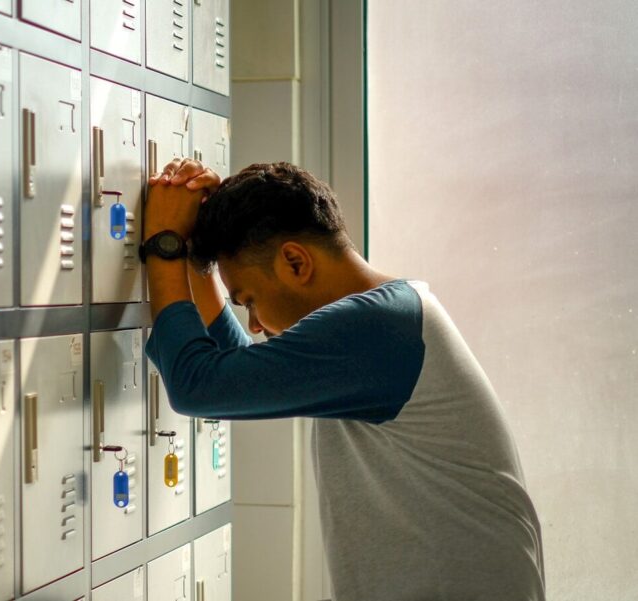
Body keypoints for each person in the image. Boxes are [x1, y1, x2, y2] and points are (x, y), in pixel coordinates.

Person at [140, 159, 545, 601]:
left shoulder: (375, 330)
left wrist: (164, 243)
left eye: (250, 301)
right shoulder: (389, 317)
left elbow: (200, 385)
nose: (254, 324)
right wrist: (200, 250)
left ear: (295, 262)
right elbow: (232, 366)